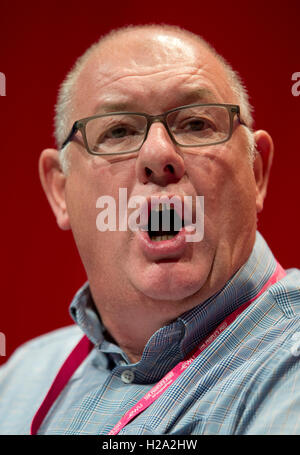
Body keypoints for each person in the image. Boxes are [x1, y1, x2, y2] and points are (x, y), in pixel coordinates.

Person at [0, 24, 299, 436]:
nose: (159, 155)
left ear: (257, 172)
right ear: (60, 190)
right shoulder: (21, 378)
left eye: (195, 124)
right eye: (118, 131)